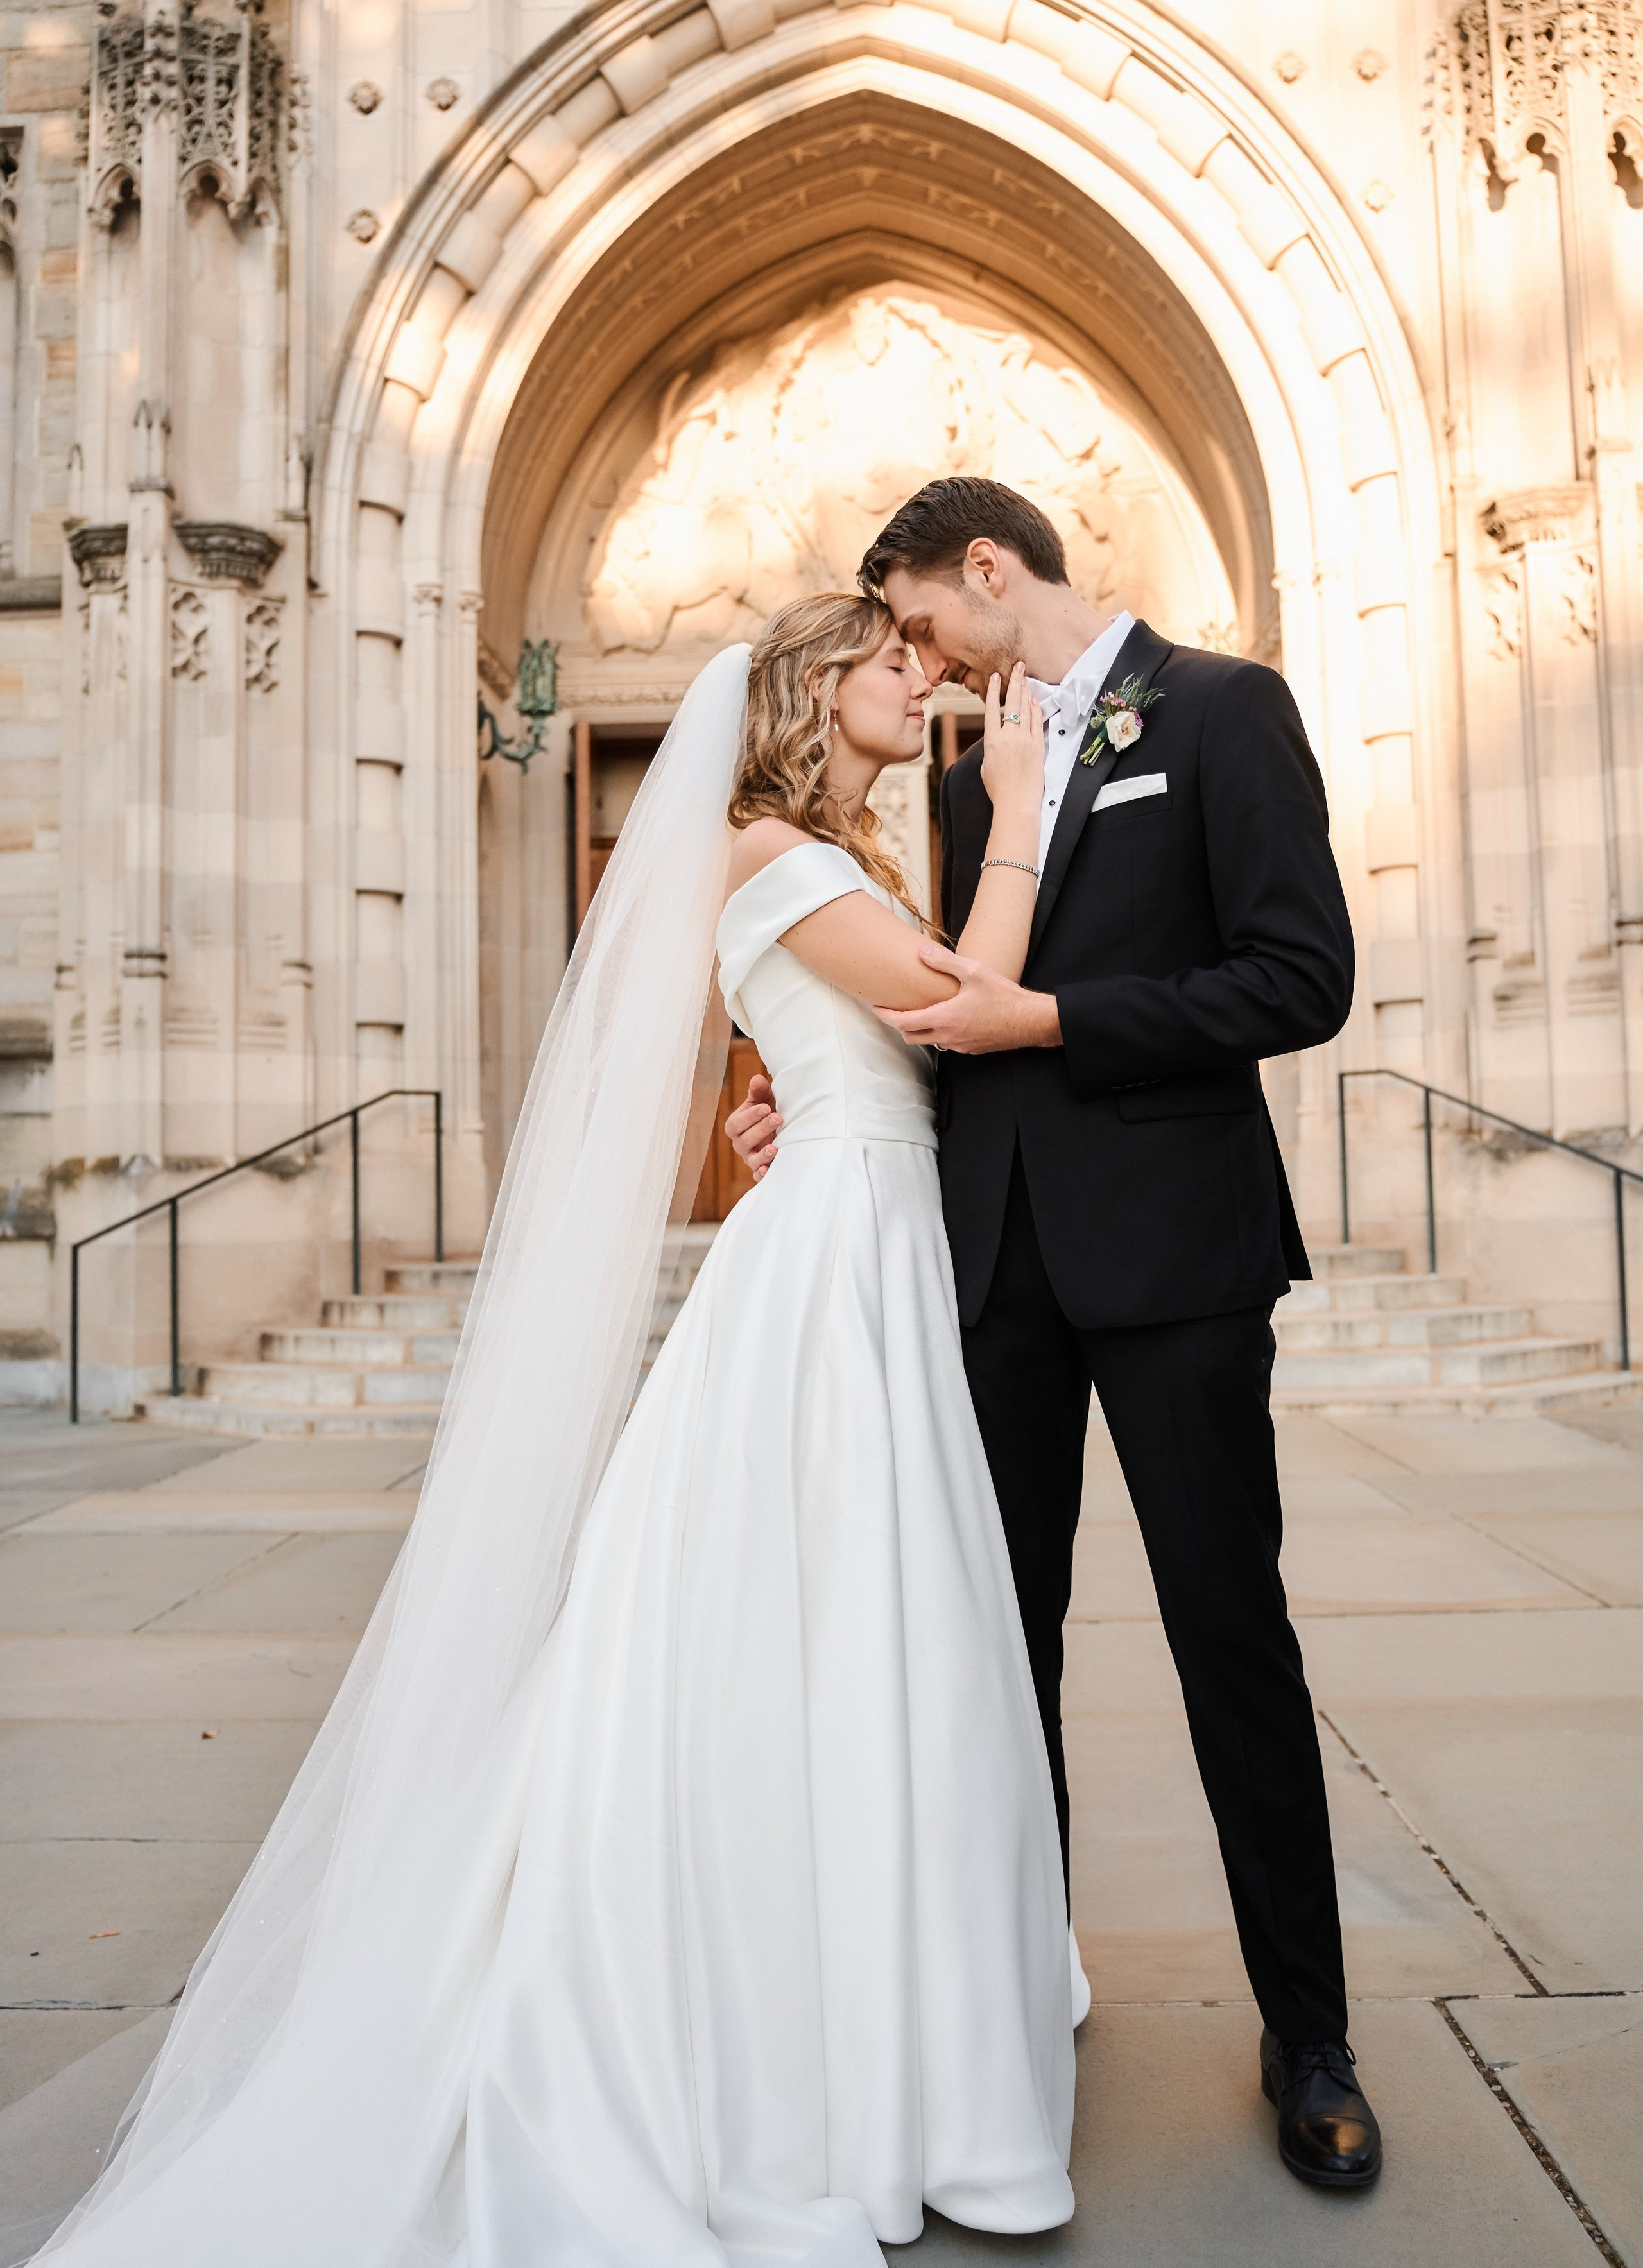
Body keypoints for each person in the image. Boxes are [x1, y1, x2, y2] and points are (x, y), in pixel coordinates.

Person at [29, 596, 1078, 2268]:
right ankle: (815, 2025)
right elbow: (967, 1007)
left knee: (861, 1631)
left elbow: (868, 1048)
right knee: (830, 1627)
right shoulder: (771, 850)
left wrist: (794, 1088)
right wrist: (1021, 803)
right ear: (815, 691)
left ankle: (886, 2011)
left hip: (858, 1223)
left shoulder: (803, 862)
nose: (927, 684)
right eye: (894, 664)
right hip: (834, 1264)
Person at [727, 477, 1382, 2191]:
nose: (922, 663)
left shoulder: (1228, 708)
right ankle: (1018, 1998)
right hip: (985, 1269)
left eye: (923, 620)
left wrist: (1063, 1018)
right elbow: (934, 1002)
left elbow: (1299, 976)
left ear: (990, 570)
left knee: (1231, 1636)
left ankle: (1309, 2034)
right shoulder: (962, 786)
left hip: (1177, 1263)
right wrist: (819, 1103)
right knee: (994, 1656)